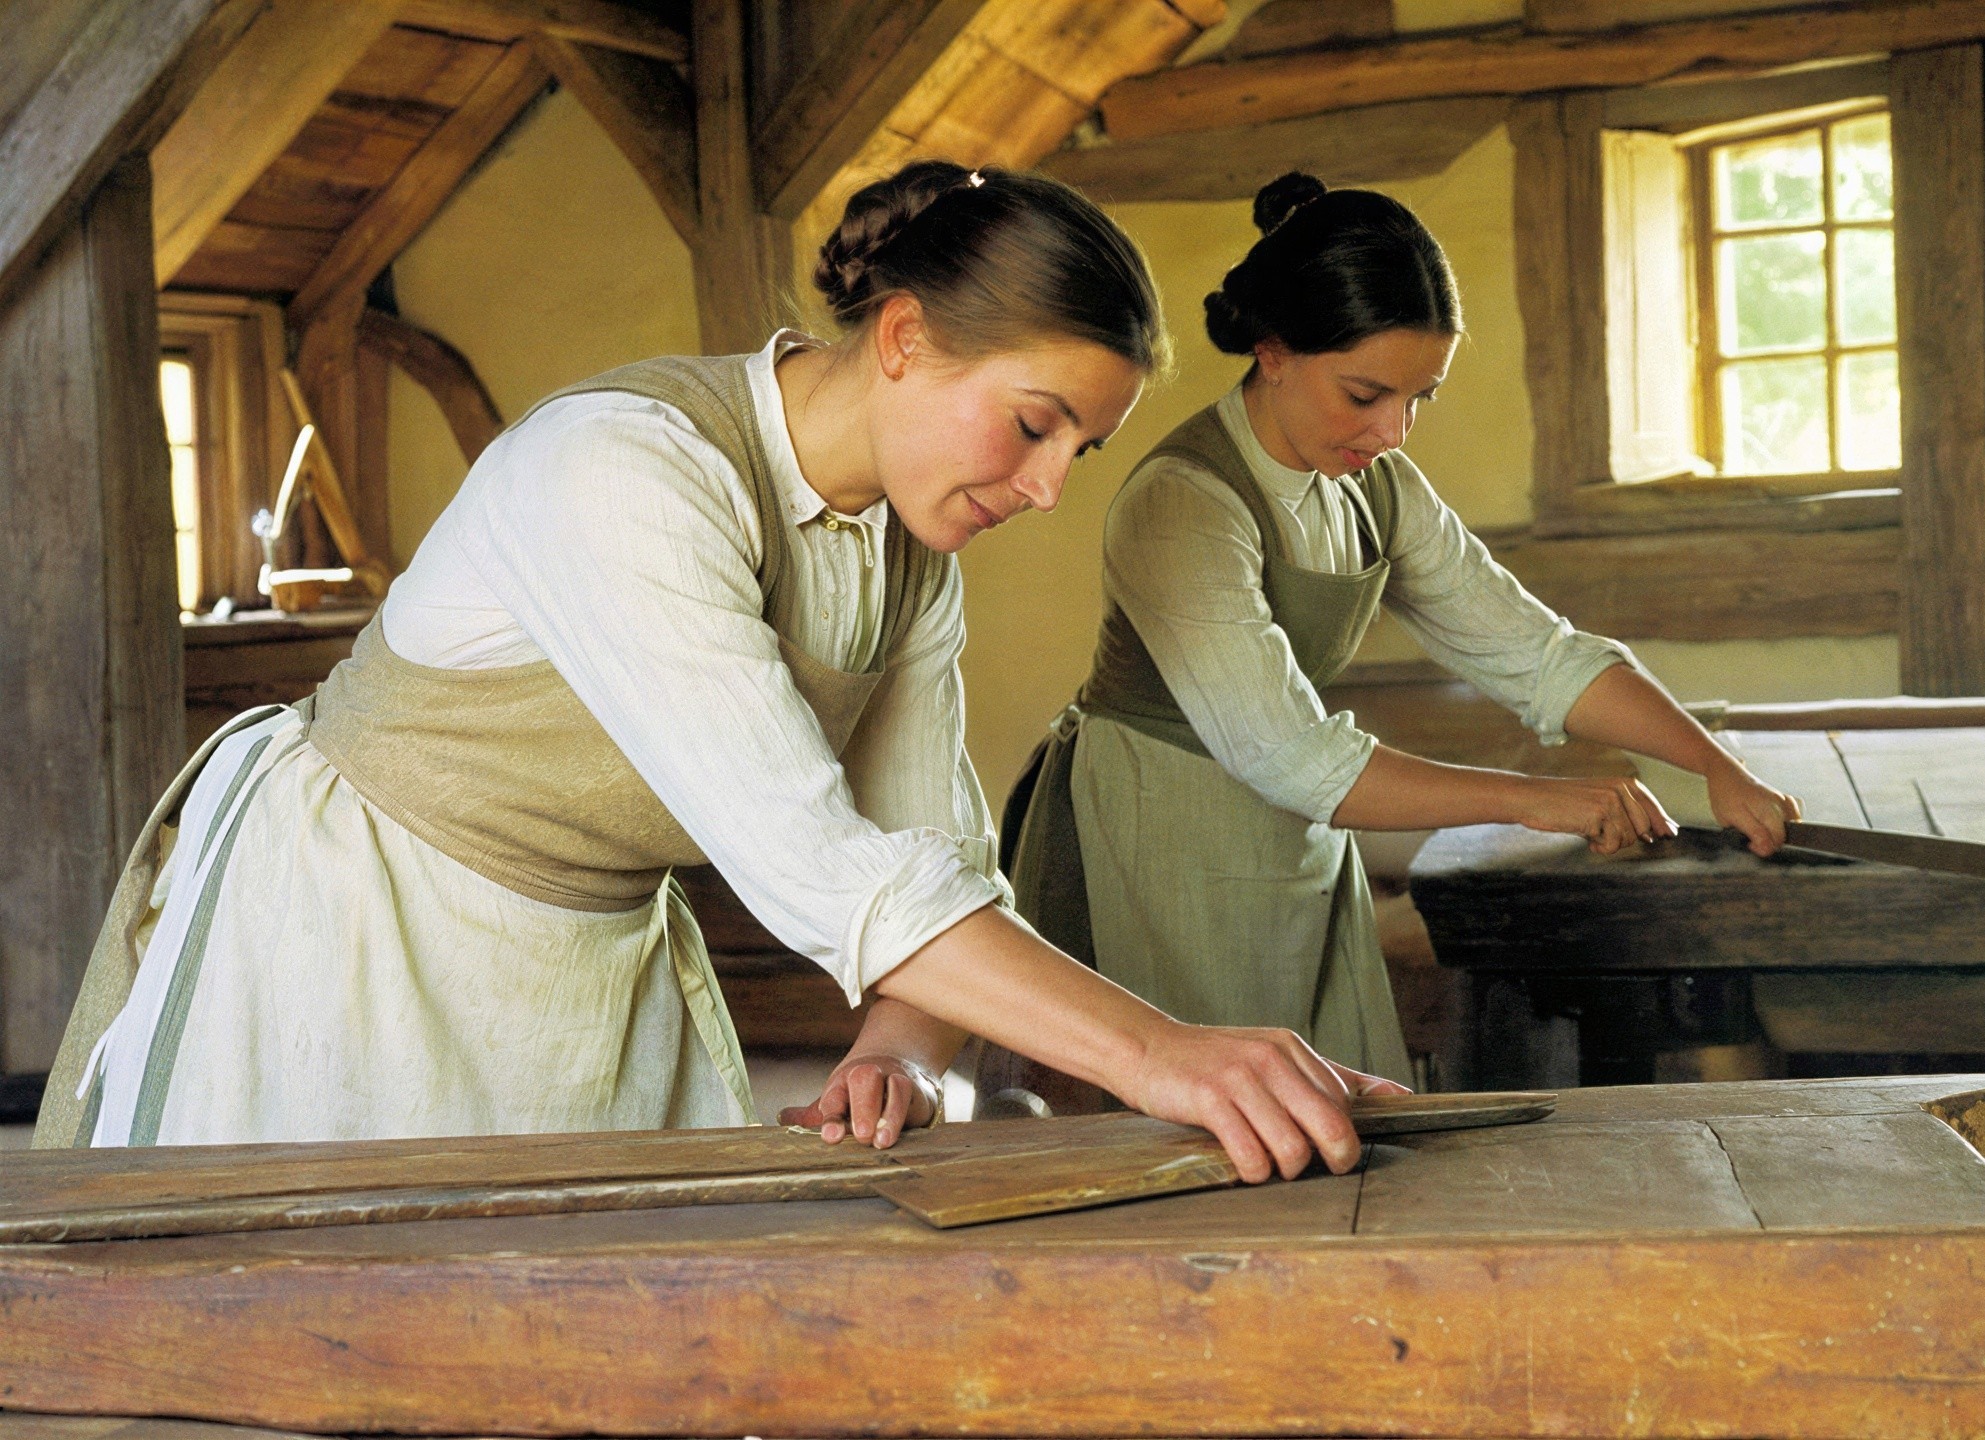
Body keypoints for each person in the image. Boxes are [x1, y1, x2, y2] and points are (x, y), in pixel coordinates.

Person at [35, 161, 1392, 1183]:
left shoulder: (908, 558)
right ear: (909, 339)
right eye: (1035, 426)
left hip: (596, 949)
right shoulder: (624, 468)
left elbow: (929, 857)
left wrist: (898, 1053)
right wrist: (1161, 1054)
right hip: (358, 926)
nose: (1046, 488)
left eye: (1076, 453)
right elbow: (815, 863)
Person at [990, 171, 1804, 1089]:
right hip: (1160, 832)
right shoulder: (1181, 504)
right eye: (1366, 393)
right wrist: (1533, 799)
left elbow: (1535, 654)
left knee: (1336, 1100)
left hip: (1295, 823)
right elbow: (1294, 758)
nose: (1394, 430)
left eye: (1421, 398)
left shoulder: (1376, 485)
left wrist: (1710, 762)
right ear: (1274, 351)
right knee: (1221, 1124)